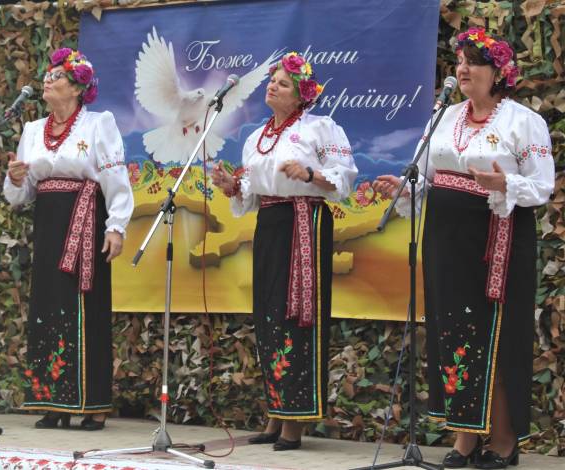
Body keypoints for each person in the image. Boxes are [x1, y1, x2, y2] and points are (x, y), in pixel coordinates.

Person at [374, 27, 554, 469]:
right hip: (445, 239)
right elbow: (428, 174)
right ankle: (465, 439)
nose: (463, 69)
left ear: (499, 73)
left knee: (494, 335)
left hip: (497, 238)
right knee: (453, 335)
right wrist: (405, 187)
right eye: (460, 61)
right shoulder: (446, 116)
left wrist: (504, 182)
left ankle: (505, 442)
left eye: (474, 62)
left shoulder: (522, 122)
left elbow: (542, 186)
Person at [212, 52, 357, 451]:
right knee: (270, 313)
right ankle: (277, 413)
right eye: (272, 81)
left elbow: (344, 179)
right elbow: (251, 194)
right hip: (272, 223)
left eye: (283, 83)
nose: (272, 85)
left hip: (304, 221)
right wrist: (231, 185)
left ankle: (297, 421)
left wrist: (309, 174)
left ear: (301, 96)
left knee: (299, 314)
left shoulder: (319, 128)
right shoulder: (258, 136)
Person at [3, 48, 133, 431]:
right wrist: (14, 178)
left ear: (77, 88)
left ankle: (93, 404)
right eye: (47, 75)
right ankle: (54, 401)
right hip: (48, 222)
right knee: (47, 304)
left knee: (84, 303)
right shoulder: (32, 130)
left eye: (57, 76)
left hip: (85, 218)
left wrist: (116, 225)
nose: (47, 80)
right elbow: (22, 193)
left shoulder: (98, 124)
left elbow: (115, 178)